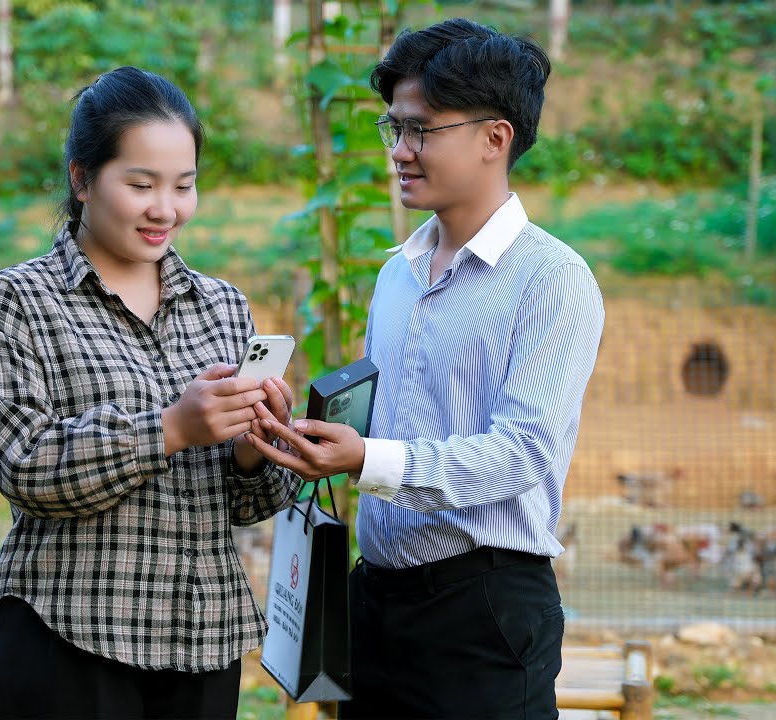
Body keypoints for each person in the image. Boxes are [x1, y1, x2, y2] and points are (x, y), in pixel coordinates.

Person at [247, 19, 605, 719]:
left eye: (421, 130)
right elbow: (387, 425)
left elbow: (522, 453)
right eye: (394, 129)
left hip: (482, 614)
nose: (400, 152)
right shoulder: (399, 272)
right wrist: (303, 435)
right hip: (376, 604)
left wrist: (367, 459)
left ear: (494, 138)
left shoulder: (551, 279)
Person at [0, 66, 300, 720]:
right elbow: (25, 466)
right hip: (69, 644)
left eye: (184, 186)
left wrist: (257, 451)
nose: (165, 209)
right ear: (81, 179)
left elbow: (247, 503)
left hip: (204, 651)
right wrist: (171, 428)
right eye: (141, 184)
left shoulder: (222, 308)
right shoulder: (19, 302)